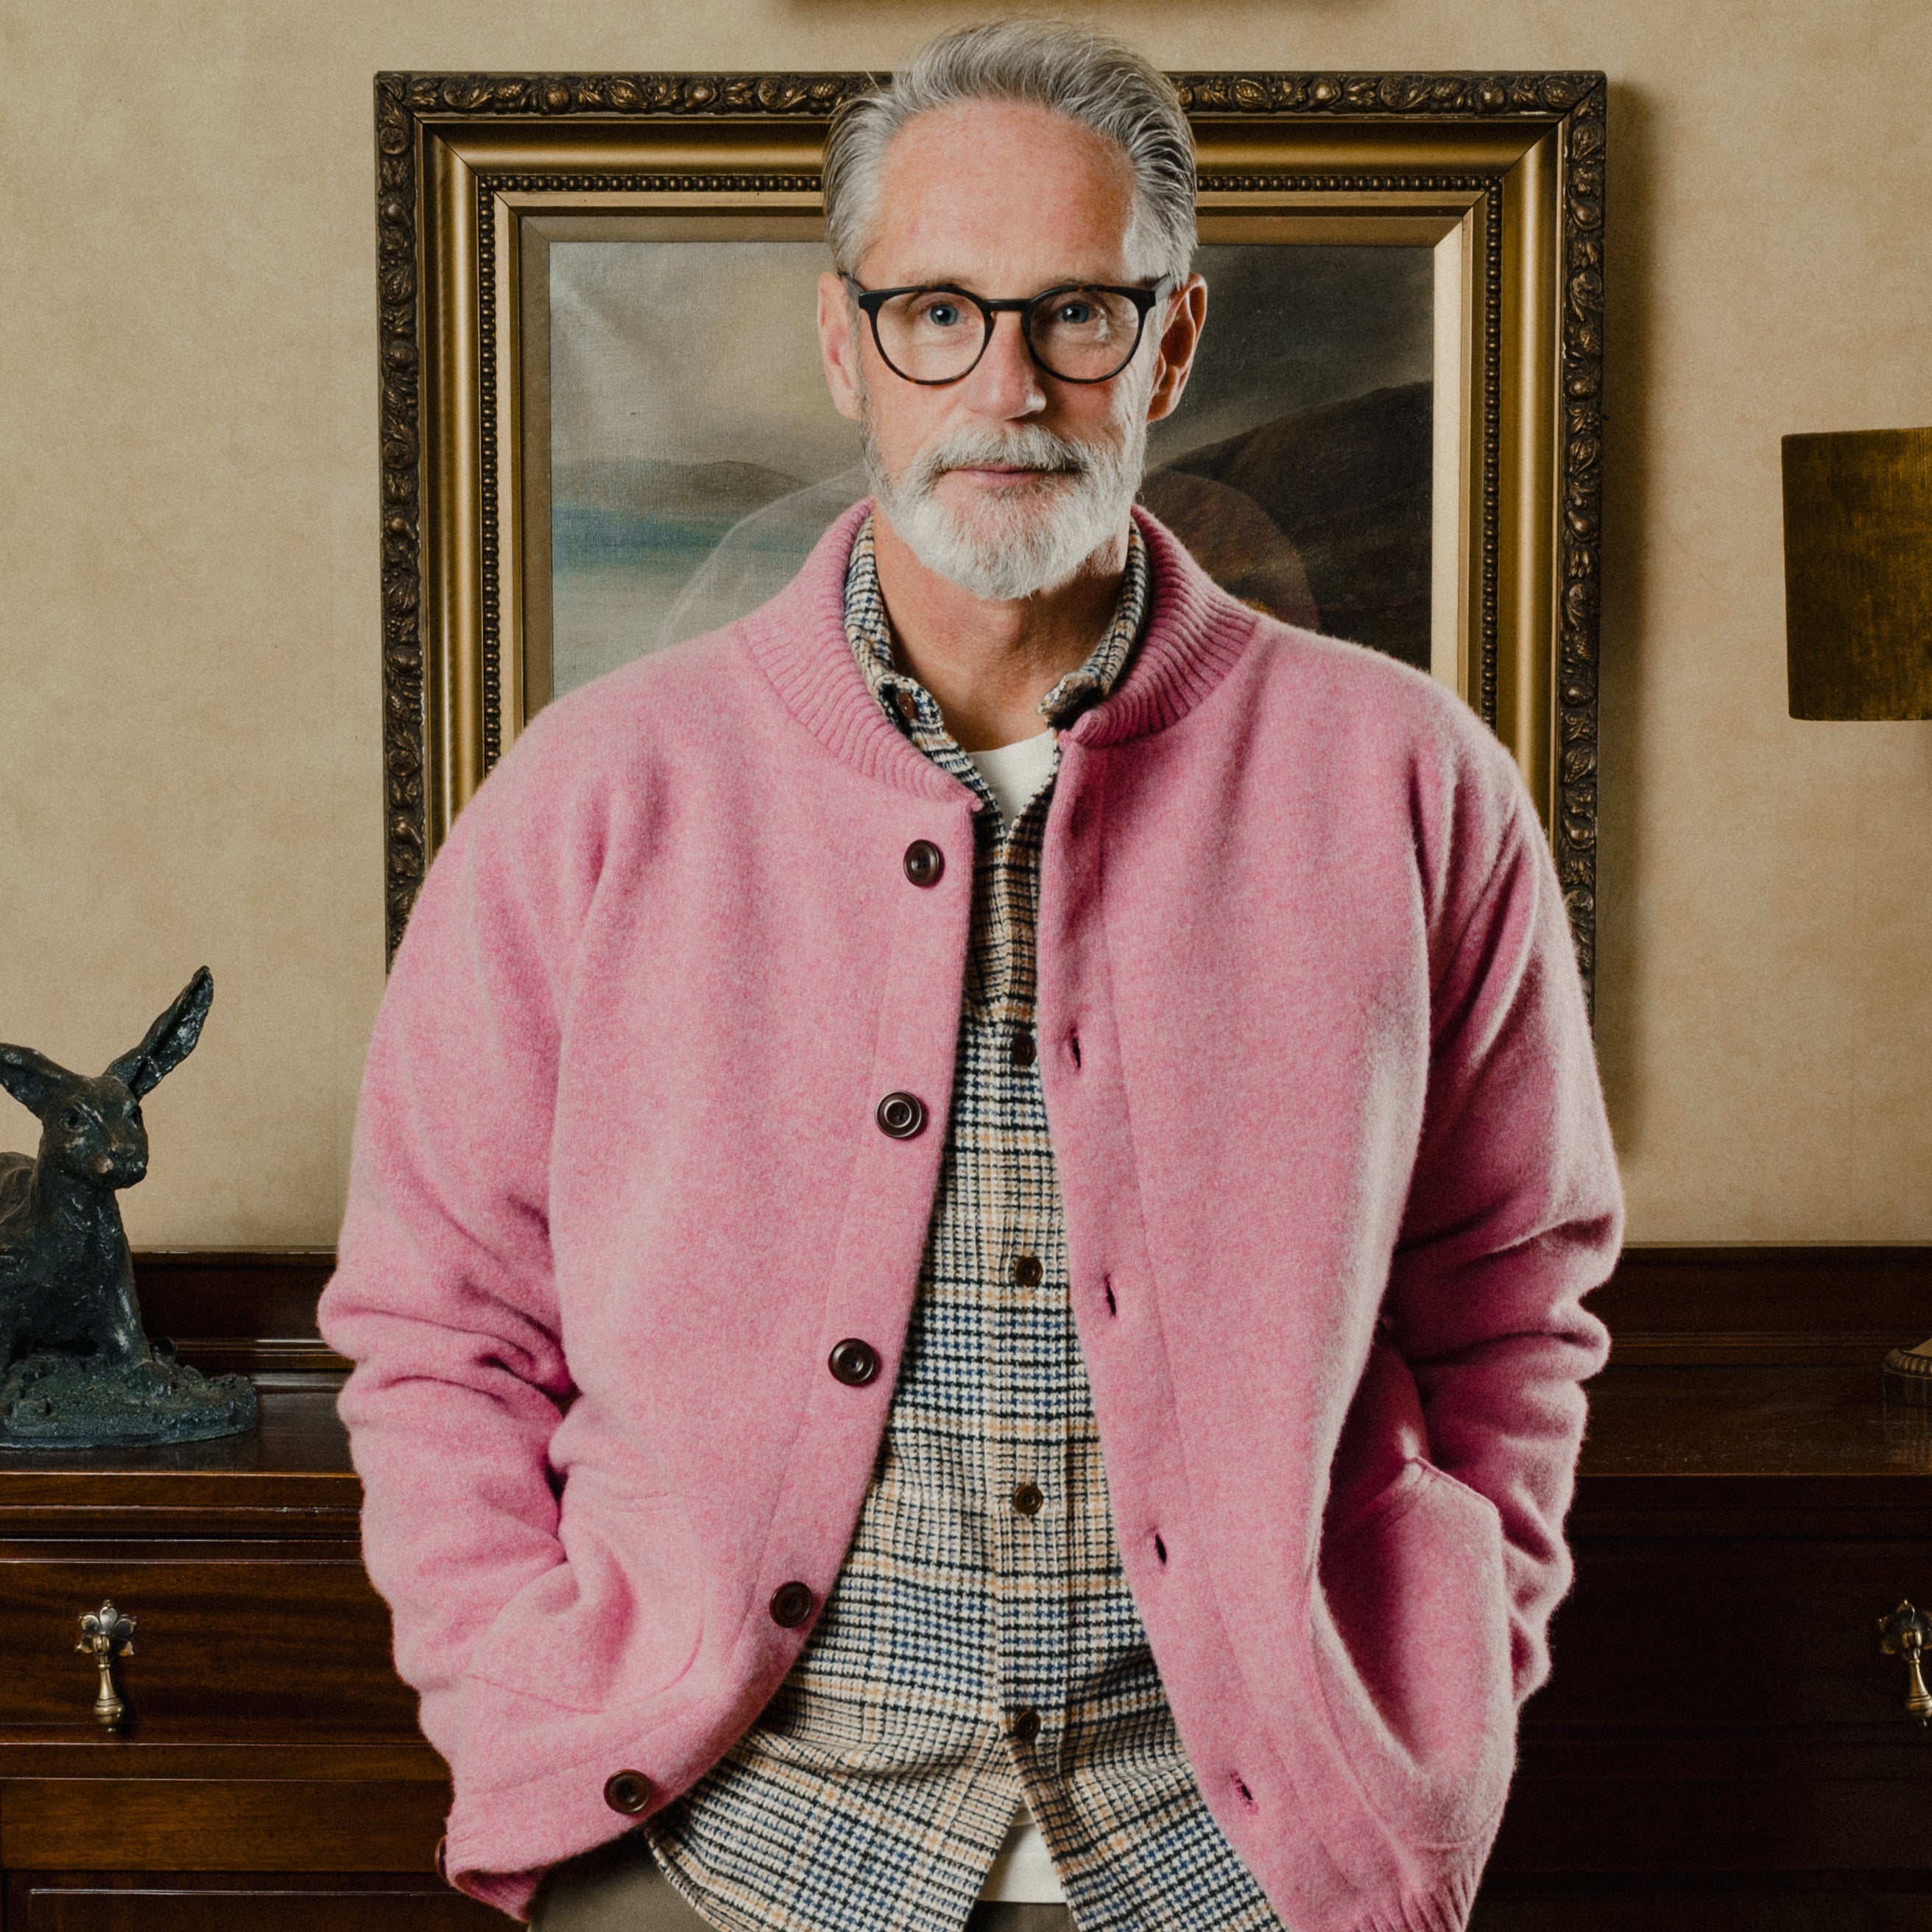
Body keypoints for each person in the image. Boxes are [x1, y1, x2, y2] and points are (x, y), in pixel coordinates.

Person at [319, 22, 1623, 1932]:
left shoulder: (1413, 781)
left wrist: (1452, 1669)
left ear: (1170, 345)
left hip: (1253, 1876)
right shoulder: (593, 798)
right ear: (844, 344)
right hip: (712, 1859)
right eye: (937, 310)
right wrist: (521, 1689)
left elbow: (1517, 1303)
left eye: (1075, 314)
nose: (1005, 384)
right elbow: (437, 1321)